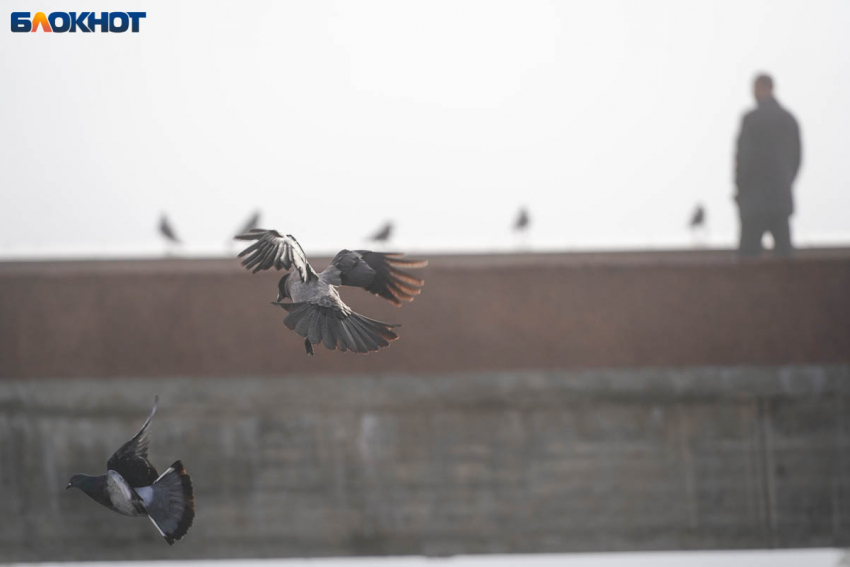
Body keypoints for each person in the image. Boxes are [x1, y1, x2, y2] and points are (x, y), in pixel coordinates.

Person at [734, 73, 802, 257]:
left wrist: (740, 188)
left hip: (754, 201)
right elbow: (797, 159)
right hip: (780, 198)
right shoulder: (788, 119)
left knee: (747, 260)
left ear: (762, 88)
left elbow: (743, 159)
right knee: (785, 257)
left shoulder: (751, 120)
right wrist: (785, 181)